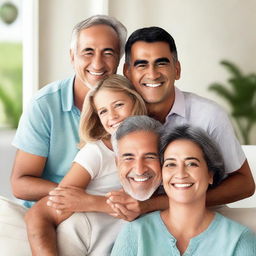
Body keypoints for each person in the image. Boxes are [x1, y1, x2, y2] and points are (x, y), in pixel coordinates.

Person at [106, 26, 255, 216]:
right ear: (127, 72)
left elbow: (245, 184)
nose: (152, 74)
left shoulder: (208, 115)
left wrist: (158, 204)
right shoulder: (117, 117)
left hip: (201, 218)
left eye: (161, 63)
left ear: (176, 69)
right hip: (137, 218)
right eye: (141, 64)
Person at [25, 76, 163, 256]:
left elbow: (182, 198)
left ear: (136, 101)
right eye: (103, 111)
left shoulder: (159, 141)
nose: (112, 116)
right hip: (85, 239)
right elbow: (41, 213)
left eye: (119, 105)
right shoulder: (95, 153)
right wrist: (100, 204)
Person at [10, 15, 127, 208]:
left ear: (119, 59)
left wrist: (93, 203)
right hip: (50, 209)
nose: (97, 63)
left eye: (108, 53)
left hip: (108, 213)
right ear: (72, 56)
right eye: (88, 52)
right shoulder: (44, 105)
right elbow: (20, 183)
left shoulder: (130, 103)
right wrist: (81, 197)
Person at [111, 125, 256, 256]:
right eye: (171, 164)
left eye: (192, 163)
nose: (180, 173)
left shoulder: (239, 239)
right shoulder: (135, 233)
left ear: (210, 174)